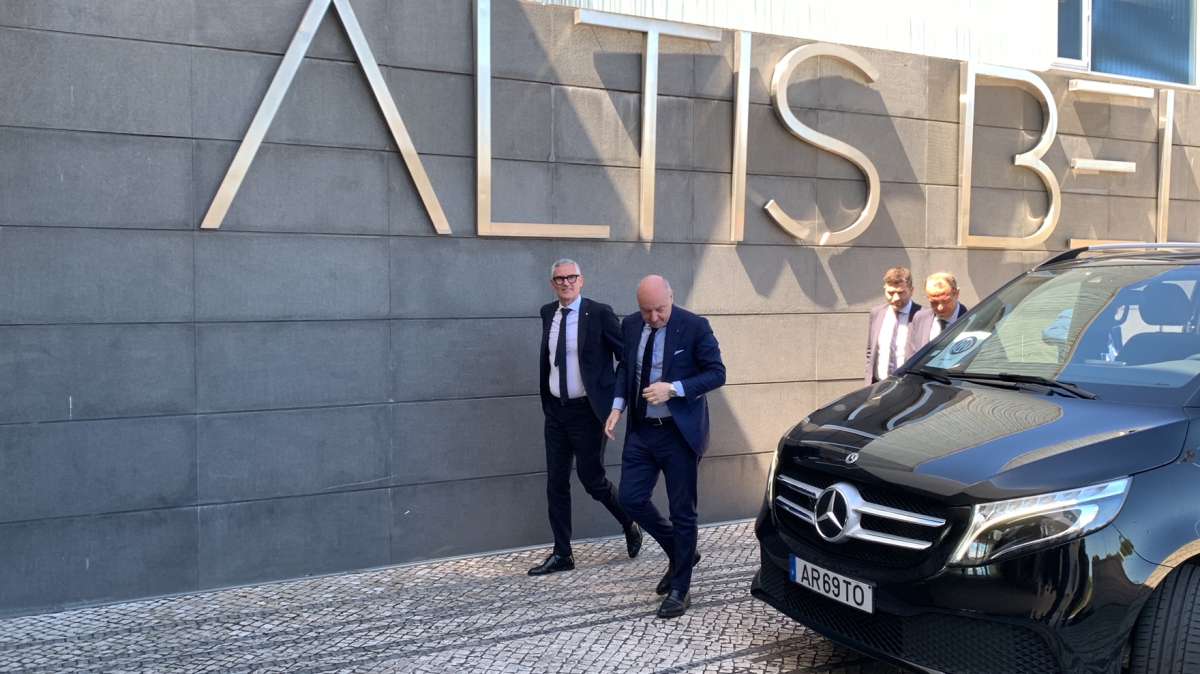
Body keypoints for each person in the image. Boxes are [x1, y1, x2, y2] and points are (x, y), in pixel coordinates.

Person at [604, 275, 726, 619]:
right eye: (647, 311)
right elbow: (625, 368)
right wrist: (616, 408)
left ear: (671, 298)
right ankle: (680, 550)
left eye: (660, 309)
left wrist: (673, 388)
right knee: (630, 498)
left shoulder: (695, 326)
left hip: (679, 433)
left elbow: (717, 373)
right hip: (642, 430)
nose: (654, 317)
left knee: (682, 511)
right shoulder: (629, 325)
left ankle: (680, 589)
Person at [528, 259, 643, 577]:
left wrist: (615, 403)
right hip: (556, 411)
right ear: (553, 283)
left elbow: (626, 359)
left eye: (571, 277)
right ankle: (562, 553)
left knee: (592, 481)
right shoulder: (547, 313)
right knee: (556, 483)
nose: (565, 283)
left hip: (588, 413)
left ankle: (629, 521)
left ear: (582, 281)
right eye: (559, 279)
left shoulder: (600, 313)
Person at [865, 266, 923, 385]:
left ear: (912, 291)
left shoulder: (923, 315)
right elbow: (871, 352)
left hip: (909, 387)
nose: (895, 298)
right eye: (890, 293)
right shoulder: (876, 313)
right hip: (878, 386)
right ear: (884, 289)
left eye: (901, 293)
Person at [910, 272, 970, 351]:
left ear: (956, 293)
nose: (940, 307)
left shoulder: (971, 321)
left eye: (945, 301)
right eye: (934, 302)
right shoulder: (920, 318)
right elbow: (911, 355)